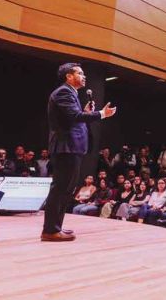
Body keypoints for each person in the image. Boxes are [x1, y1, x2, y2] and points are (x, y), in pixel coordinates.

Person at [42, 62, 116, 242]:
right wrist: (101, 114)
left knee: (66, 190)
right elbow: (74, 118)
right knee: (60, 189)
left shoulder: (71, 93)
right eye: (80, 73)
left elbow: (73, 118)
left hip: (72, 148)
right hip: (66, 147)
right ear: (69, 76)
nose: (84, 76)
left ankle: (55, 227)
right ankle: (50, 230)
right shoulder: (63, 92)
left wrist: (85, 112)